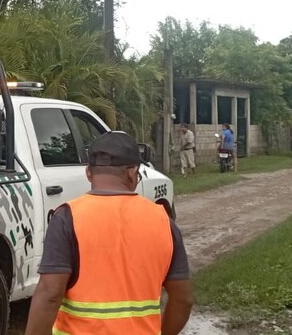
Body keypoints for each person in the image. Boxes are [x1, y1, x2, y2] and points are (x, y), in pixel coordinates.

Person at [24, 131, 194, 335]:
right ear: (133, 173)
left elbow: (49, 294)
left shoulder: (67, 217)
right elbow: (183, 299)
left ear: (88, 173)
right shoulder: (163, 221)